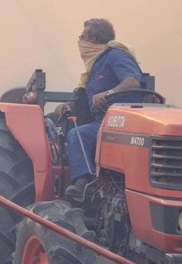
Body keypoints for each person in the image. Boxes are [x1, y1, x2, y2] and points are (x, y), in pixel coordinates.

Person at [58, 18, 145, 202]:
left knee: (77, 135)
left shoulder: (115, 55)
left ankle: (83, 184)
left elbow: (132, 81)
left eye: (82, 37)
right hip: (104, 121)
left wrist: (108, 94)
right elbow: (90, 96)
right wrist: (70, 105)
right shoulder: (96, 64)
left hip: (120, 122)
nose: (80, 42)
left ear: (93, 40)